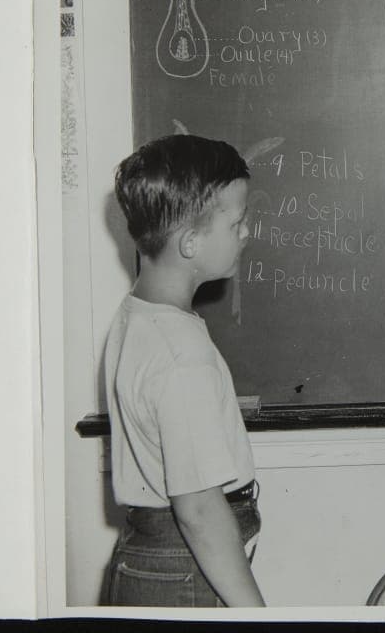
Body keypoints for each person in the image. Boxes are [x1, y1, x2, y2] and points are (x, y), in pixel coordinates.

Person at [102, 134, 265, 607]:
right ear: (191, 242)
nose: (246, 232)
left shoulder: (140, 315)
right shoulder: (181, 352)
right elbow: (197, 509)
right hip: (185, 564)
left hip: (160, 554)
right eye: (237, 222)